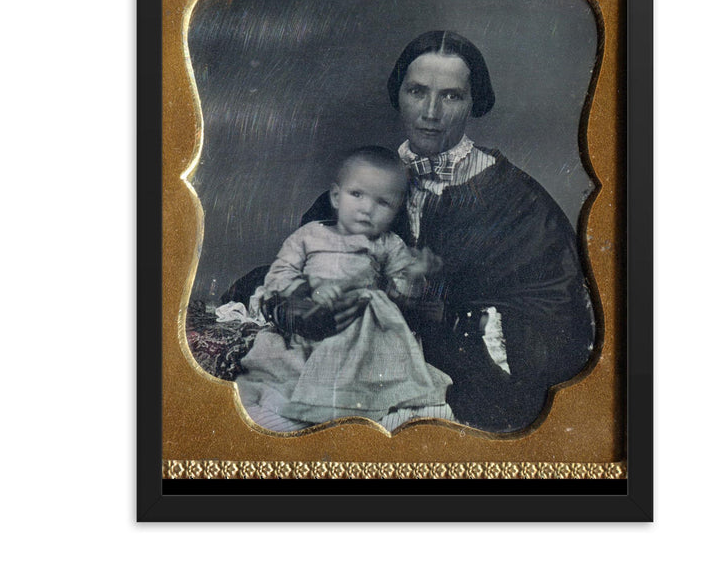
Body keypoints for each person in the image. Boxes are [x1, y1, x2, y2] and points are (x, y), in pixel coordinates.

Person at [301, 30, 595, 432]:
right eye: (418, 92)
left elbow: (561, 325)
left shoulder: (521, 204)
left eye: (452, 96)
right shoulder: (363, 185)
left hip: (473, 397)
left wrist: (460, 322)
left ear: (475, 103)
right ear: (399, 95)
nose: (431, 112)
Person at [236, 146, 453, 432]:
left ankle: (371, 418)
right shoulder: (310, 234)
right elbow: (280, 274)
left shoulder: (388, 244)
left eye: (382, 203)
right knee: (281, 389)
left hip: (364, 333)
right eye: (357, 195)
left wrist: (414, 274)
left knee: (392, 390)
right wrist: (306, 289)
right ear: (337, 197)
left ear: (394, 211)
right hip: (310, 324)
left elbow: (406, 288)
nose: (367, 208)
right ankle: (301, 417)